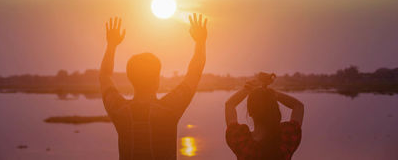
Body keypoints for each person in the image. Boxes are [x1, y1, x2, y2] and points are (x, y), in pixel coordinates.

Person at [99, 14, 207, 160]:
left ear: (130, 78)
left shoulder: (119, 110)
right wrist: (200, 41)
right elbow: (195, 72)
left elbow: (105, 75)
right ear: (157, 80)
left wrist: (111, 44)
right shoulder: (169, 109)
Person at [225, 73, 304, 160]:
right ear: (275, 111)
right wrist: (270, 93)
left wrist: (248, 88)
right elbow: (298, 106)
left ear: (250, 112)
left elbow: (230, 105)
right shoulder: (286, 139)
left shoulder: (242, 143)